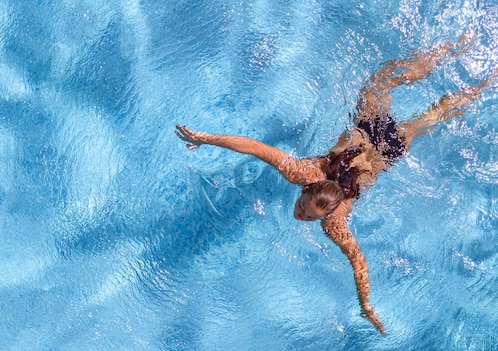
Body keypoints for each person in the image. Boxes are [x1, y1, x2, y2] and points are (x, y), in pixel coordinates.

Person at [175, 33, 497, 335]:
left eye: (305, 214)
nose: (300, 215)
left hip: (377, 141)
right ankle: (466, 62)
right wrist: (207, 139)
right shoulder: (310, 183)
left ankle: (463, 58)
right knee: (407, 100)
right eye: (304, 210)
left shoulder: (327, 211)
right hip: (383, 145)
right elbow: (255, 147)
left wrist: (365, 303)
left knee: (406, 97)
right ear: (308, 190)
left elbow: (359, 261)